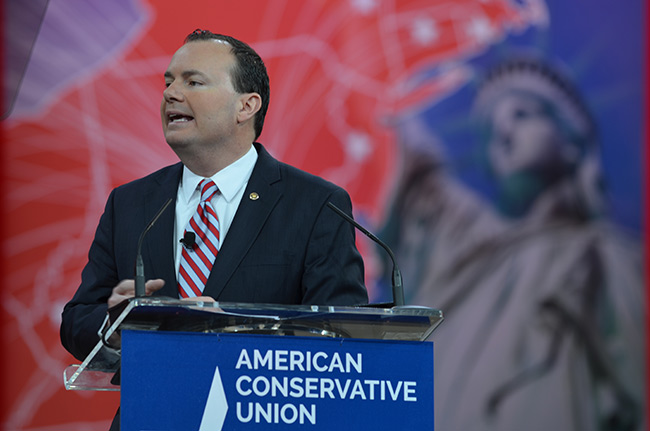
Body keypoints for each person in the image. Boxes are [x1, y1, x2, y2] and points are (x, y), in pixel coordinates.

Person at [60, 29, 368, 430]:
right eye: (168, 82)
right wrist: (114, 326)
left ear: (246, 106)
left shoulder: (315, 204)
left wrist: (232, 332)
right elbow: (78, 317)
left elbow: (341, 332)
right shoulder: (131, 204)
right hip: (150, 418)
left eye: (193, 81)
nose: (171, 93)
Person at [379, 57, 643, 430]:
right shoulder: (466, 249)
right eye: (490, 132)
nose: (503, 133)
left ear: (570, 141)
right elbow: (413, 171)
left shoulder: (604, 256)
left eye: (522, 115)